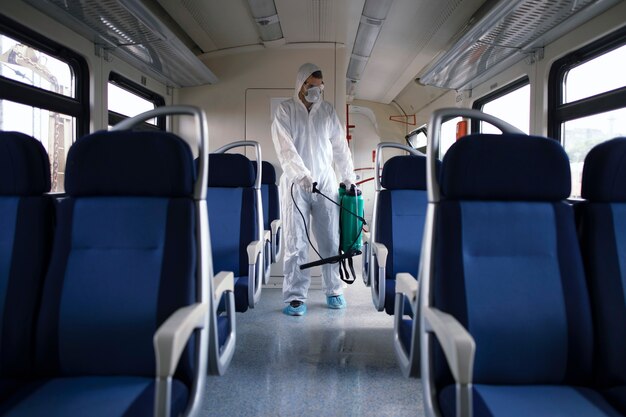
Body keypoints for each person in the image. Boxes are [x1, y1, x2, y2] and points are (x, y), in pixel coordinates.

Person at [271, 63, 356, 316]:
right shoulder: (285, 110)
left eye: (319, 87)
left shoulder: (327, 111)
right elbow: (285, 148)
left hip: (326, 184)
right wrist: (301, 175)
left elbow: (340, 147)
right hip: (296, 186)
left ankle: (334, 291)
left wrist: (349, 178)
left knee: (330, 239)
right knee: (296, 243)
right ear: (300, 85)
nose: (315, 91)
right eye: (310, 86)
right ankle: (295, 297)